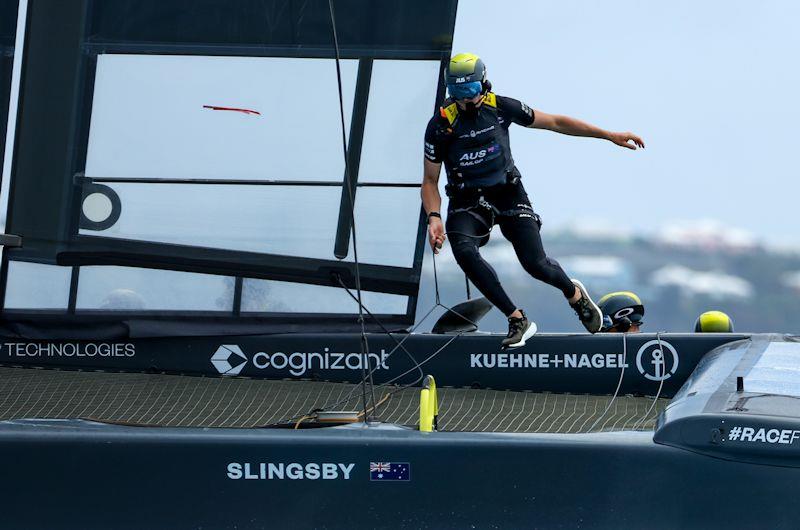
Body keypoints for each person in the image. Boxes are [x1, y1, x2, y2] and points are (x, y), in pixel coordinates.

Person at [422, 53, 645, 348]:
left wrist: (608, 135)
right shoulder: (440, 126)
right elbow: (430, 181)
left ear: (484, 84)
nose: (465, 99)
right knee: (463, 251)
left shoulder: (501, 107)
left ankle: (574, 295)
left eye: (471, 90)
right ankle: (517, 319)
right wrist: (433, 216)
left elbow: (555, 122)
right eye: (458, 92)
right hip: (467, 199)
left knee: (534, 263)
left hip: (507, 192)